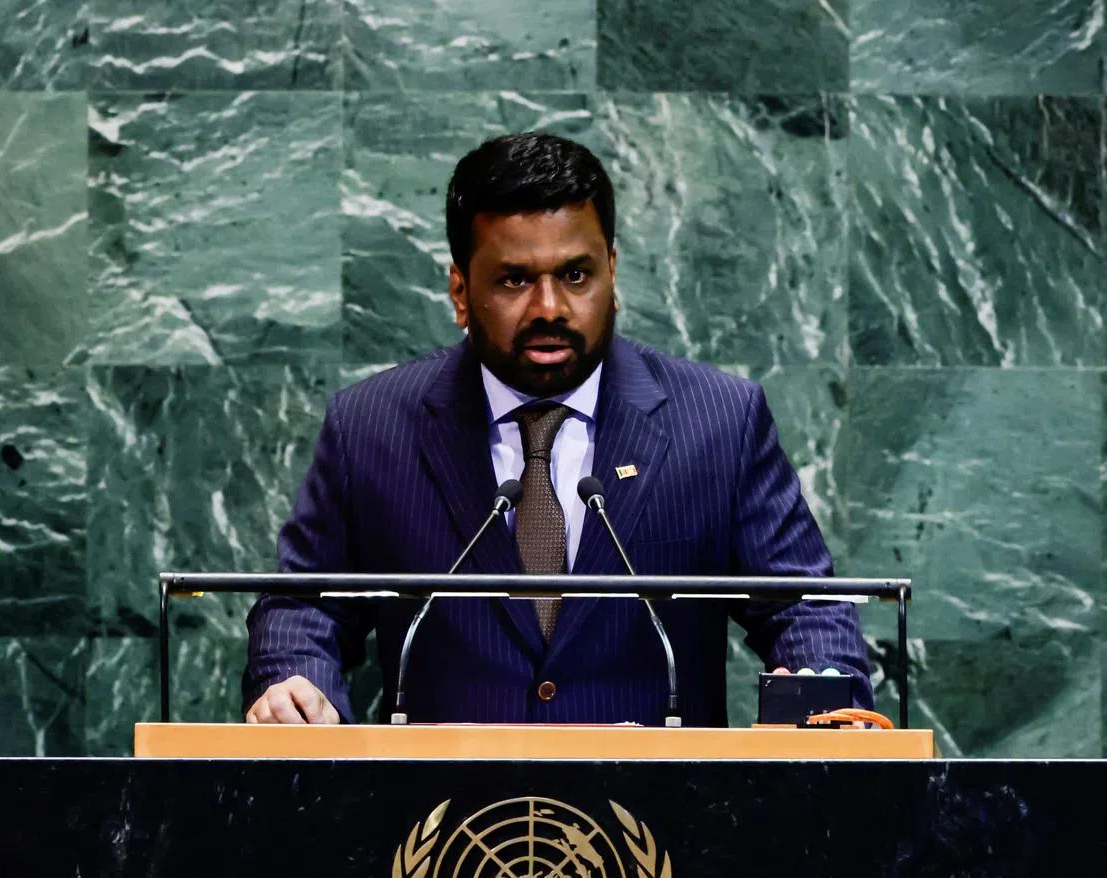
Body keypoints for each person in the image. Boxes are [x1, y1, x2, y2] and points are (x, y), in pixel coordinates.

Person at [243, 132, 871, 726]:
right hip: (446, 826)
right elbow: (305, 605)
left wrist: (821, 688)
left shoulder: (718, 422)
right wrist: (295, 684)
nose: (550, 308)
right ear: (461, 291)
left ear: (612, 273)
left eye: (575, 275)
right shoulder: (371, 428)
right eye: (515, 279)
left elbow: (803, 605)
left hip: (662, 826)